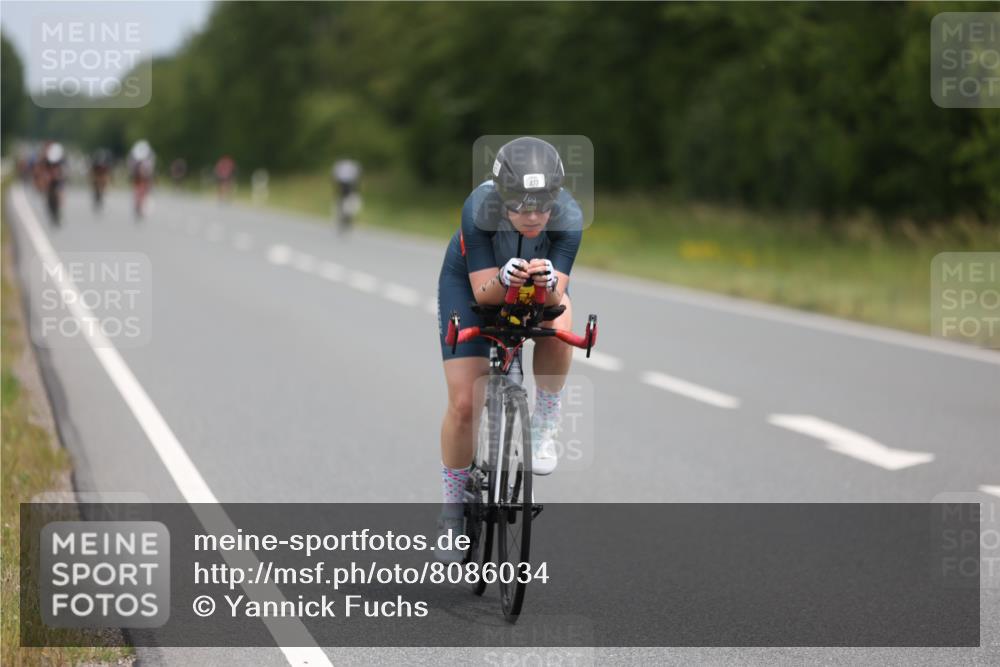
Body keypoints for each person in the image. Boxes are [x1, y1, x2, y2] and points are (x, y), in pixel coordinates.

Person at [434, 137, 583, 557]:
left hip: (533, 288)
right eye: (520, 206)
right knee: (465, 403)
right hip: (470, 284)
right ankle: (451, 510)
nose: (533, 217)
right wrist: (506, 277)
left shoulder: (569, 215)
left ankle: (545, 424)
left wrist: (550, 283)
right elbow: (483, 293)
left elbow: (557, 298)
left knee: (561, 318)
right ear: (502, 199)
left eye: (542, 205)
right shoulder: (478, 209)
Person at [330, 158, 361, 232]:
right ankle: (344, 218)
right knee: (344, 202)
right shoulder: (352, 166)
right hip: (346, 187)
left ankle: (346, 218)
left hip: (346, 187)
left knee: (347, 203)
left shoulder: (341, 165)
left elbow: (334, 177)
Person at [127, 139, 156, 218]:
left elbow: (151, 169)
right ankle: (137, 201)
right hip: (137, 174)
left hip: (146, 174)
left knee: (147, 186)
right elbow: (131, 168)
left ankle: (143, 199)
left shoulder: (150, 156)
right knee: (137, 187)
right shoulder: (134, 156)